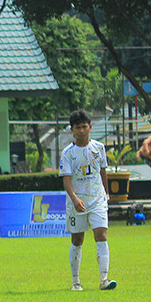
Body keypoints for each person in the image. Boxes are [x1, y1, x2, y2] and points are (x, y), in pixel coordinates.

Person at [60, 110, 116, 291]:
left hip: (97, 199)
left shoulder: (99, 148)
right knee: (77, 240)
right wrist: (75, 199)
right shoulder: (68, 153)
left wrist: (106, 195)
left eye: (85, 126)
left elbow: (103, 172)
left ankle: (104, 279)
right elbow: (66, 178)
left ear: (90, 127)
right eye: (78, 127)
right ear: (72, 130)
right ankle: (75, 281)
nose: (82, 130)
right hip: (77, 202)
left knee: (101, 235)